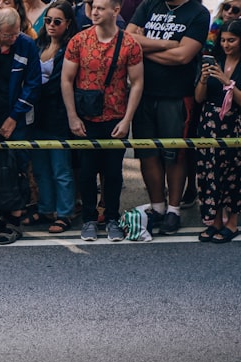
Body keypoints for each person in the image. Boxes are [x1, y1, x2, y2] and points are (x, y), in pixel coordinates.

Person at [62, 0, 143, 241]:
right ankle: (88, 218)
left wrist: (128, 119)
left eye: (100, 8)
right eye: (93, 7)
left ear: (115, 10)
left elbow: (137, 82)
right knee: (87, 172)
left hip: (116, 117)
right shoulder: (79, 40)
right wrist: (72, 116)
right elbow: (67, 79)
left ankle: (111, 218)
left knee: (113, 172)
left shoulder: (129, 43)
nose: (94, 12)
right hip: (86, 118)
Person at [127, 0, 209, 235]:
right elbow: (129, 39)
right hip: (143, 93)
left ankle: (174, 210)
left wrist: (145, 48)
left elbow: (183, 56)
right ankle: (158, 207)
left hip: (177, 95)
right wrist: (167, 44)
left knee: (176, 154)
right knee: (147, 153)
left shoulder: (198, 13)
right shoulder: (149, 5)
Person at [0, 7, 40, 244]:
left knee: (15, 165)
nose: (13, 38)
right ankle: (2, 215)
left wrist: (14, 116)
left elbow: (33, 84)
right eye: (8, 35)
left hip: (18, 115)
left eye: (16, 33)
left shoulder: (26, 44)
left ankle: (15, 218)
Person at [30, 1, 76, 232]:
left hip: (58, 114)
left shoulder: (70, 47)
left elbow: (59, 83)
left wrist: (32, 90)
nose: (51, 25)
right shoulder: (38, 44)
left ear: (68, 24)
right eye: (48, 20)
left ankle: (66, 213)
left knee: (61, 168)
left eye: (57, 21)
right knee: (41, 167)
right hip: (36, 115)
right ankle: (46, 208)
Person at [194, 20, 241, 243]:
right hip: (209, 123)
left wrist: (227, 81)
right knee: (209, 172)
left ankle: (232, 222)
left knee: (233, 173)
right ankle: (215, 221)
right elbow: (199, 98)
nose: (226, 44)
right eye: (222, 40)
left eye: (231, 40)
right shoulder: (215, 60)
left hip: (234, 124)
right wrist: (203, 79)